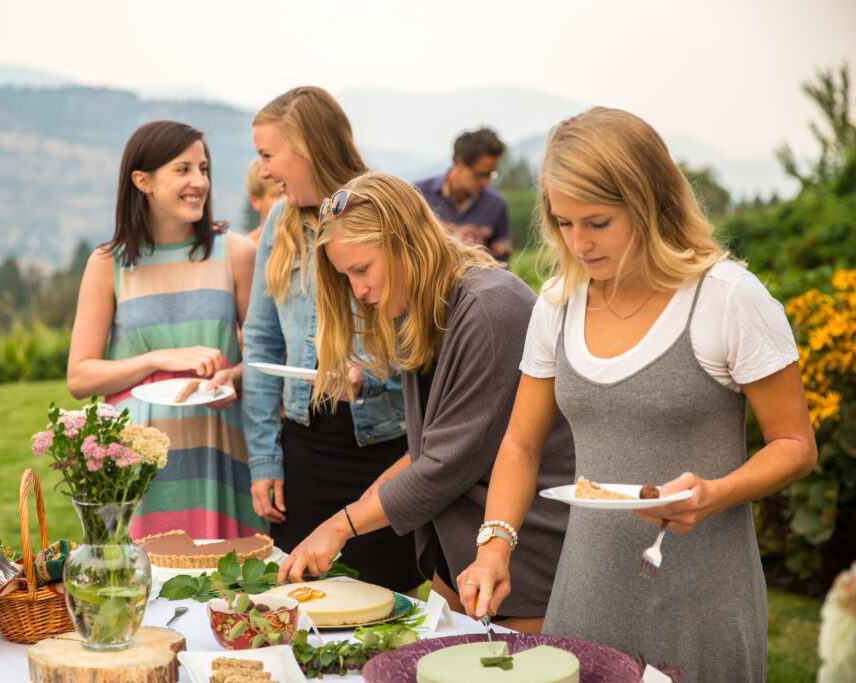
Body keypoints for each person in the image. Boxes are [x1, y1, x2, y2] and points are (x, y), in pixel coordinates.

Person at [457, 107, 818, 680]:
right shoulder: (557, 303)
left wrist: (715, 493)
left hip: (702, 599)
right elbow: (521, 447)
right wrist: (495, 546)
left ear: (649, 204)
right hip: (584, 590)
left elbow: (796, 443)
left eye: (597, 222)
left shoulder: (728, 298)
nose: (578, 243)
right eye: (564, 222)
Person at [278, 171, 576, 633]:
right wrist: (372, 495)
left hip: (521, 563)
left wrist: (339, 526)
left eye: (362, 269)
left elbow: (445, 464)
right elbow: (433, 444)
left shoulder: (490, 308)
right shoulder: (424, 306)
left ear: (405, 244)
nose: (357, 291)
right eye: (346, 276)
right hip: (458, 558)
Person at [243, 87, 422, 593]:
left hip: (381, 452)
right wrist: (264, 461)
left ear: (307, 149)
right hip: (303, 450)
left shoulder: (380, 214)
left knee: (384, 605)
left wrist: (372, 377)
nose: (264, 171)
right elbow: (259, 345)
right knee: (298, 598)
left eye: (268, 155)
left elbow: (422, 342)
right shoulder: (280, 222)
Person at [67, 121, 265, 540]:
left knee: (227, 596)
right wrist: (158, 359)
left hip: (220, 459)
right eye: (183, 169)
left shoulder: (237, 254)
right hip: (135, 471)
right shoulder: (109, 263)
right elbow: (79, 377)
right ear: (143, 181)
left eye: (204, 169)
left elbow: (267, 360)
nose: (199, 181)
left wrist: (232, 377)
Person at [414, 127, 512, 262]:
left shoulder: (496, 205)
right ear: (458, 162)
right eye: (479, 175)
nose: (485, 182)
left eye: (490, 175)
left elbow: (501, 263)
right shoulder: (418, 194)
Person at [244, 157, 283, 245]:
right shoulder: (248, 248)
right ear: (256, 201)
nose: (285, 201)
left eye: (287, 192)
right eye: (277, 195)